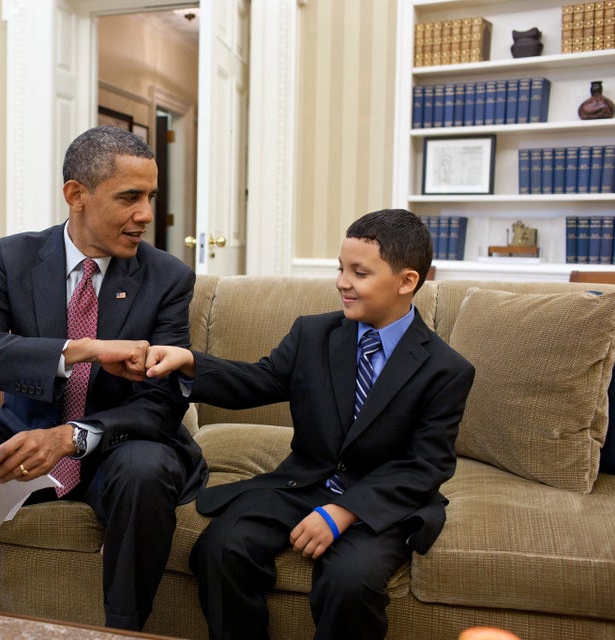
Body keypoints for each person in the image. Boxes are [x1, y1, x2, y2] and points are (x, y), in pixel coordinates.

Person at [0, 125, 207, 631]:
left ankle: (122, 628)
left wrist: (70, 437)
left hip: (116, 447)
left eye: (151, 197)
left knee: (146, 469)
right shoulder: (14, 256)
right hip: (19, 439)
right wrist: (80, 350)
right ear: (76, 195)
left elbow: (161, 402)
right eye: (130, 197)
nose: (146, 216)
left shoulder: (168, 277)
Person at [136, 209, 475, 640]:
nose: (342, 282)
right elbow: (260, 380)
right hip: (303, 483)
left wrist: (343, 512)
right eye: (340, 268)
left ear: (407, 281)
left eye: (360, 272)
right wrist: (190, 364)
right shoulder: (314, 334)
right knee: (220, 549)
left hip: (379, 504)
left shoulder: (446, 369)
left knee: (350, 582)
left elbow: (426, 466)